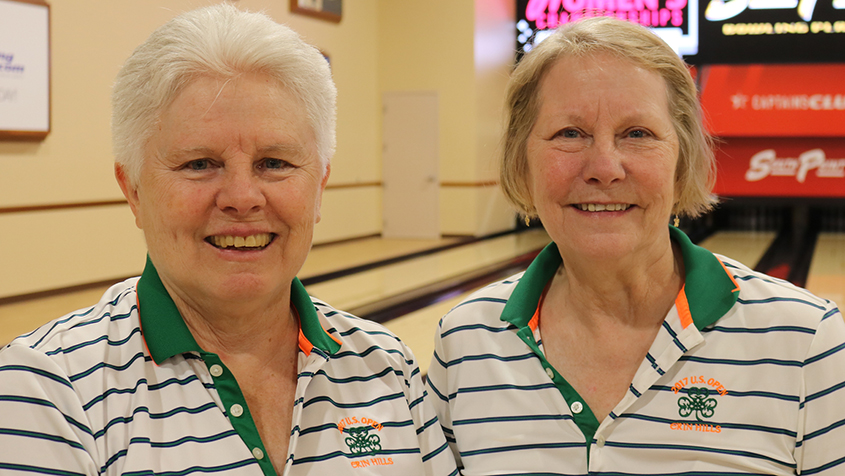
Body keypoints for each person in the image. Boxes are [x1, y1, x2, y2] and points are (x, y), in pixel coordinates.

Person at [0, 5, 457, 476]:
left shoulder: (388, 365)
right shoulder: (48, 388)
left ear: (319, 186)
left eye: (274, 163)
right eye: (199, 163)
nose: (242, 198)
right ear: (133, 189)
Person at [426, 16, 845, 475]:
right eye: (569, 133)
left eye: (637, 134)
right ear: (521, 160)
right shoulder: (464, 341)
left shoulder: (809, 342)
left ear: (682, 160)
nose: (604, 167)